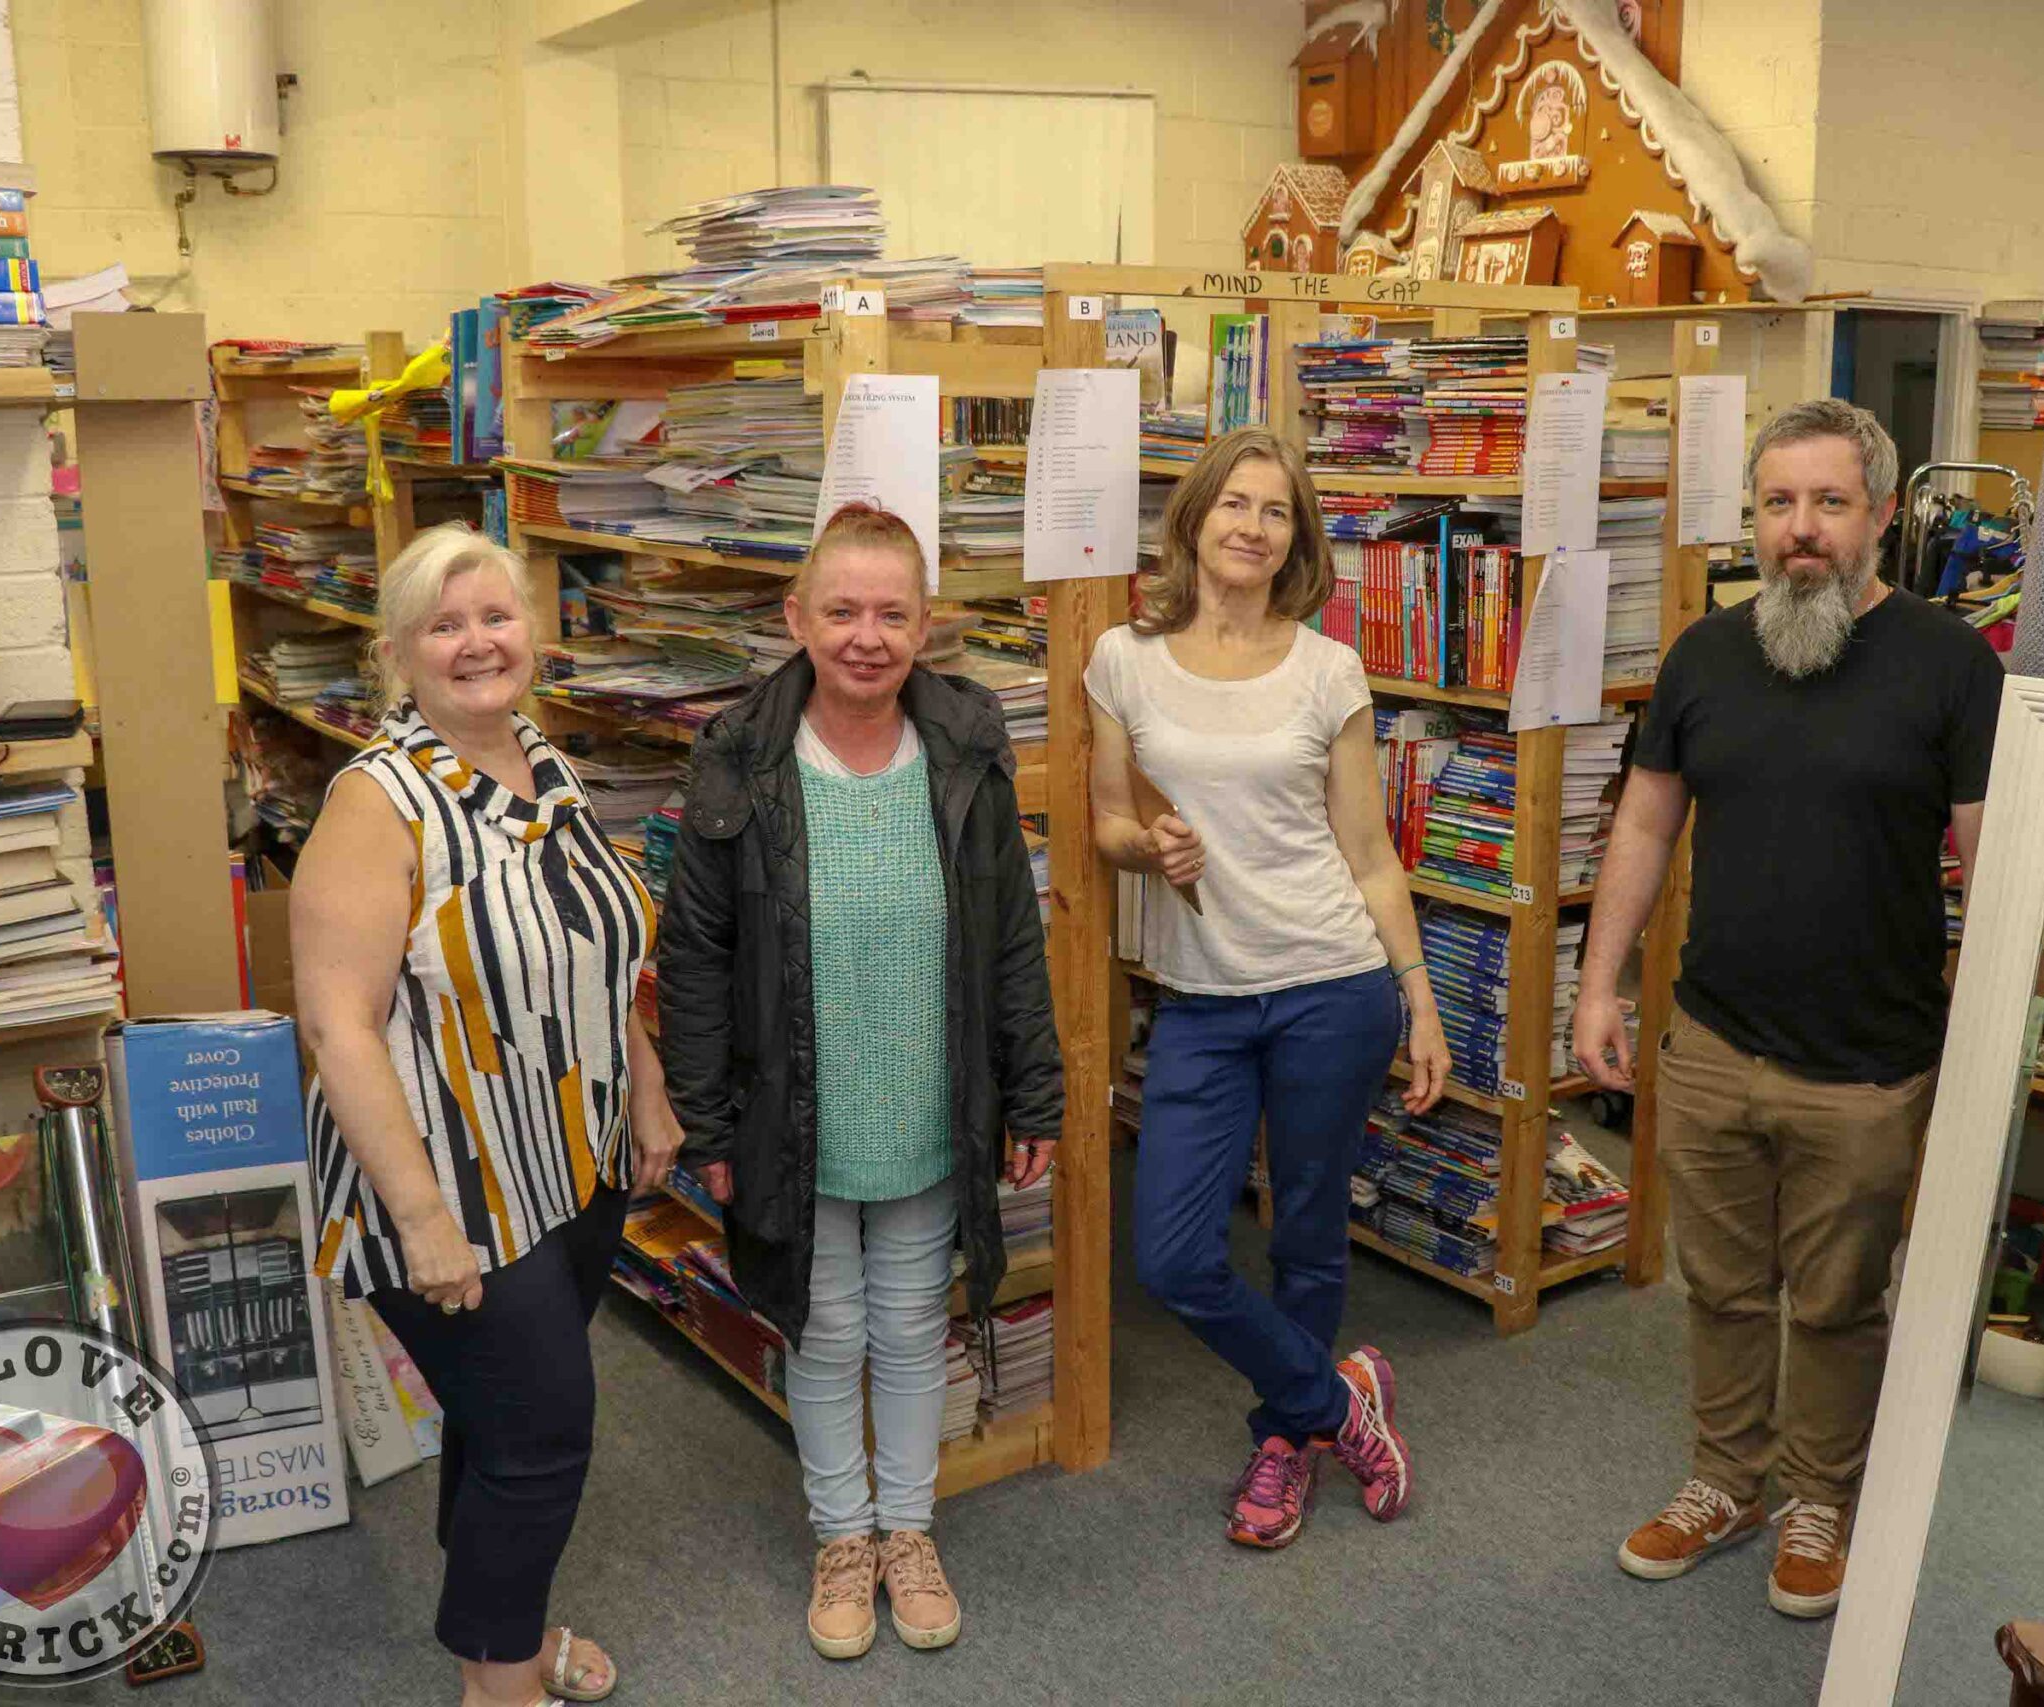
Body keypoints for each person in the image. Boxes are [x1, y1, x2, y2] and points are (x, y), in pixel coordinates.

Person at [1572, 398, 2004, 1619]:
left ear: (1875, 517)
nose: (1800, 530)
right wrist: (1599, 983)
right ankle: (1726, 1480)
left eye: (1827, 503)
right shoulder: (1704, 654)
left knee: (1833, 1299)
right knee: (1719, 1285)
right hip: (1711, 1040)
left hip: (1868, 1064)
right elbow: (1646, 823)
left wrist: (1983, 1039)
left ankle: (1818, 1497)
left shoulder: (1952, 664)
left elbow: (1993, 857)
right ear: (1751, 519)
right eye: (1776, 505)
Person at [659, 503, 1064, 1662]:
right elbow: (692, 957)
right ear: (796, 619)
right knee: (824, 1330)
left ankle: (908, 1531)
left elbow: (1011, 943)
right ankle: (843, 1535)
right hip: (795, 1112)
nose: (866, 636)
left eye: (893, 612)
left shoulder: (968, 754)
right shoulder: (740, 760)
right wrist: (708, 1120)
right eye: (841, 610)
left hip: (930, 1101)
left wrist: (1032, 1093)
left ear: (927, 626)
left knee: (908, 1322)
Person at [298, 524, 678, 1707]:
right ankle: (501, 1685)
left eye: (496, 616)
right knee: (542, 1432)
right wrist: (420, 1220)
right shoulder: (379, 800)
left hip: (564, 1161)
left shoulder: (539, 762)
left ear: (532, 631)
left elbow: (591, 952)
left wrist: (647, 1085)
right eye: (444, 626)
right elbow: (337, 1026)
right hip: (442, 1181)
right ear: (399, 656)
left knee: (495, 1416)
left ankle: (492, 1632)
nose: (477, 643)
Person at [1087, 426, 1451, 1552]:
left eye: (1276, 510)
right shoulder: (1123, 660)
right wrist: (1150, 846)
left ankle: (1282, 1447)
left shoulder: (1327, 669)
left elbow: (1368, 851)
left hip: (1332, 985)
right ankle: (1337, 1405)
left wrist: (1421, 997)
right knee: (1177, 1259)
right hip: (1201, 998)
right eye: (1233, 503)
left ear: (1295, 538)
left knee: (1306, 1232)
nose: (1250, 525)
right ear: (1193, 519)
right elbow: (1105, 820)